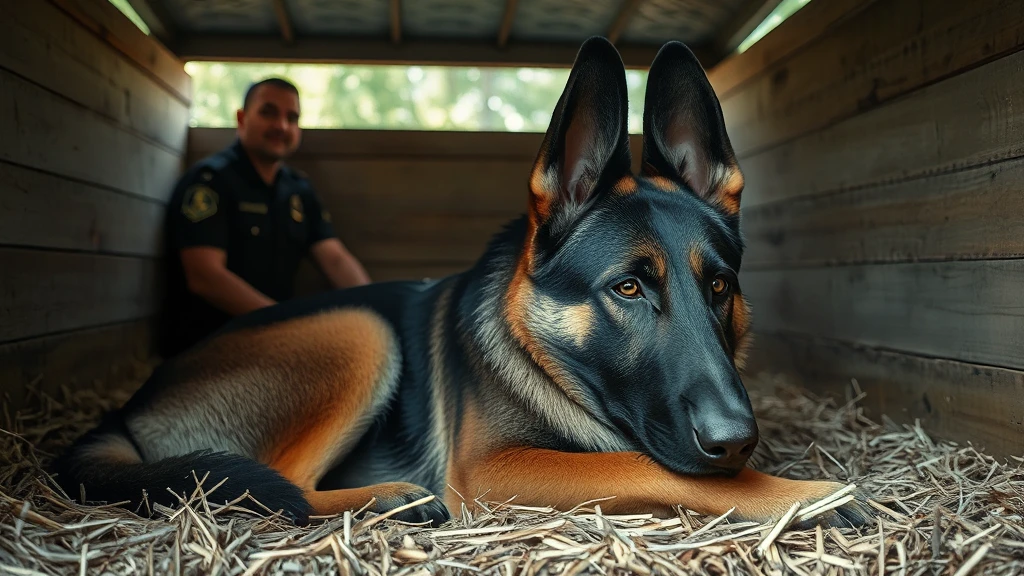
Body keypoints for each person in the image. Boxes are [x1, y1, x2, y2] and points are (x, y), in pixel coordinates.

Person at [159, 77, 371, 357]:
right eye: (268, 112)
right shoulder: (209, 182)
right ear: (242, 118)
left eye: (292, 117)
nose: (281, 126)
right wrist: (287, 325)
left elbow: (335, 259)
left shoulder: (299, 190)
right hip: (209, 350)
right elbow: (204, 276)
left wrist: (375, 311)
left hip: (275, 345)